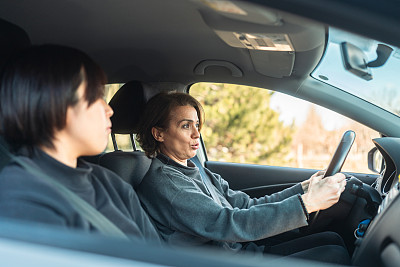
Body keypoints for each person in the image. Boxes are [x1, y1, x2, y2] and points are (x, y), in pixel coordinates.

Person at [136, 91, 350, 264]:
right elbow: (228, 223)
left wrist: (304, 188)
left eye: (196, 124)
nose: (196, 134)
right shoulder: (167, 182)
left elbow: (246, 204)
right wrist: (308, 203)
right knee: (334, 256)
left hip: (240, 251)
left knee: (332, 240)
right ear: (159, 134)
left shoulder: (195, 169)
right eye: (185, 126)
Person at [0, 44, 161, 244]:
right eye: (95, 98)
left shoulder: (110, 183)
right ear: (55, 105)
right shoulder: (20, 197)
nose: (109, 110)